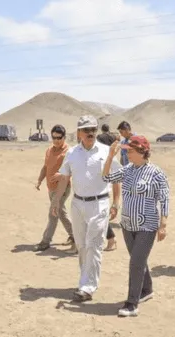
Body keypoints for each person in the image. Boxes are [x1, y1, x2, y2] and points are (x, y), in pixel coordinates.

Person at [52, 115, 122, 302]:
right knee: (82, 245)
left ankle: (88, 286)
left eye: (93, 129)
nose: (90, 133)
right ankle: (84, 280)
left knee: (94, 244)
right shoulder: (72, 153)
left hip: (99, 204)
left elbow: (116, 178)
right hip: (77, 204)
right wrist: (56, 201)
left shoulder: (107, 152)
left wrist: (116, 203)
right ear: (79, 133)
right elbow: (65, 177)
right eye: (86, 130)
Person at [102, 135, 169, 317]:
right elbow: (106, 177)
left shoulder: (156, 173)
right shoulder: (128, 169)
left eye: (131, 151)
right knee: (138, 260)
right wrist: (110, 156)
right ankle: (146, 289)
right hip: (127, 224)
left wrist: (163, 224)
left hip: (147, 225)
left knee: (135, 263)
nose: (128, 154)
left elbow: (164, 199)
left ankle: (132, 303)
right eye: (127, 151)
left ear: (142, 151)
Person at [35, 125, 75, 251]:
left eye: (59, 138)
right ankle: (74, 235)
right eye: (54, 138)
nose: (56, 140)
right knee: (61, 213)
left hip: (62, 188)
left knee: (53, 213)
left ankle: (45, 241)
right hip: (50, 188)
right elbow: (45, 167)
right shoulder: (49, 150)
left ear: (64, 137)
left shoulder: (69, 152)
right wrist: (39, 180)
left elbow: (73, 170)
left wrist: (61, 175)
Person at [96, 123, 119, 251]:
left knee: (100, 216)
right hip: (109, 165)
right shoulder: (113, 136)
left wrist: (116, 203)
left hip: (103, 188)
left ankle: (111, 238)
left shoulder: (100, 138)